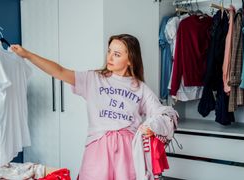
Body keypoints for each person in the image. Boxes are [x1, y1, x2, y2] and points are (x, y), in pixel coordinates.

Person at [11, 34, 178, 180]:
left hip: (127, 153)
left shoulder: (140, 88)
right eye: (109, 51)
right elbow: (60, 71)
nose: (110, 57)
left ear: (130, 60)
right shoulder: (93, 79)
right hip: (98, 148)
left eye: (117, 54)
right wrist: (27, 55)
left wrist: (152, 126)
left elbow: (163, 113)